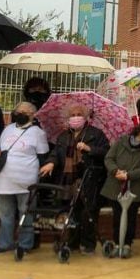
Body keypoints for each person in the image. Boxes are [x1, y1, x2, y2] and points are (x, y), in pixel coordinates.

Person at [0, 102, 52, 257]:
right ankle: (5, 243)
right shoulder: (8, 129)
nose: (20, 113)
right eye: (18, 110)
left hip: (27, 180)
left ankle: (25, 244)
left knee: (26, 213)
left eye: (25, 111)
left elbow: (43, 156)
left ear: (33, 114)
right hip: (5, 179)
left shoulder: (38, 133)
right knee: (5, 214)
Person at [49, 103, 110, 254]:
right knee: (70, 211)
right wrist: (50, 163)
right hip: (67, 179)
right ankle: (72, 242)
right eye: (73, 115)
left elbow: (106, 152)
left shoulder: (95, 134)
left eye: (79, 114)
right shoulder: (64, 136)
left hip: (88, 178)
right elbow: (56, 153)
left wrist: (90, 149)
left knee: (87, 212)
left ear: (86, 117)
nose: (76, 118)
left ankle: (88, 244)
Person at [102, 121, 140, 253]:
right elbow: (109, 158)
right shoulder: (121, 142)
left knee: (131, 217)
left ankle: (127, 244)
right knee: (117, 216)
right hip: (115, 185)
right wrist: (116, 171)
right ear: (139, 129)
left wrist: (129, 175)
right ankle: (116, 243)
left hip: (134, 186)